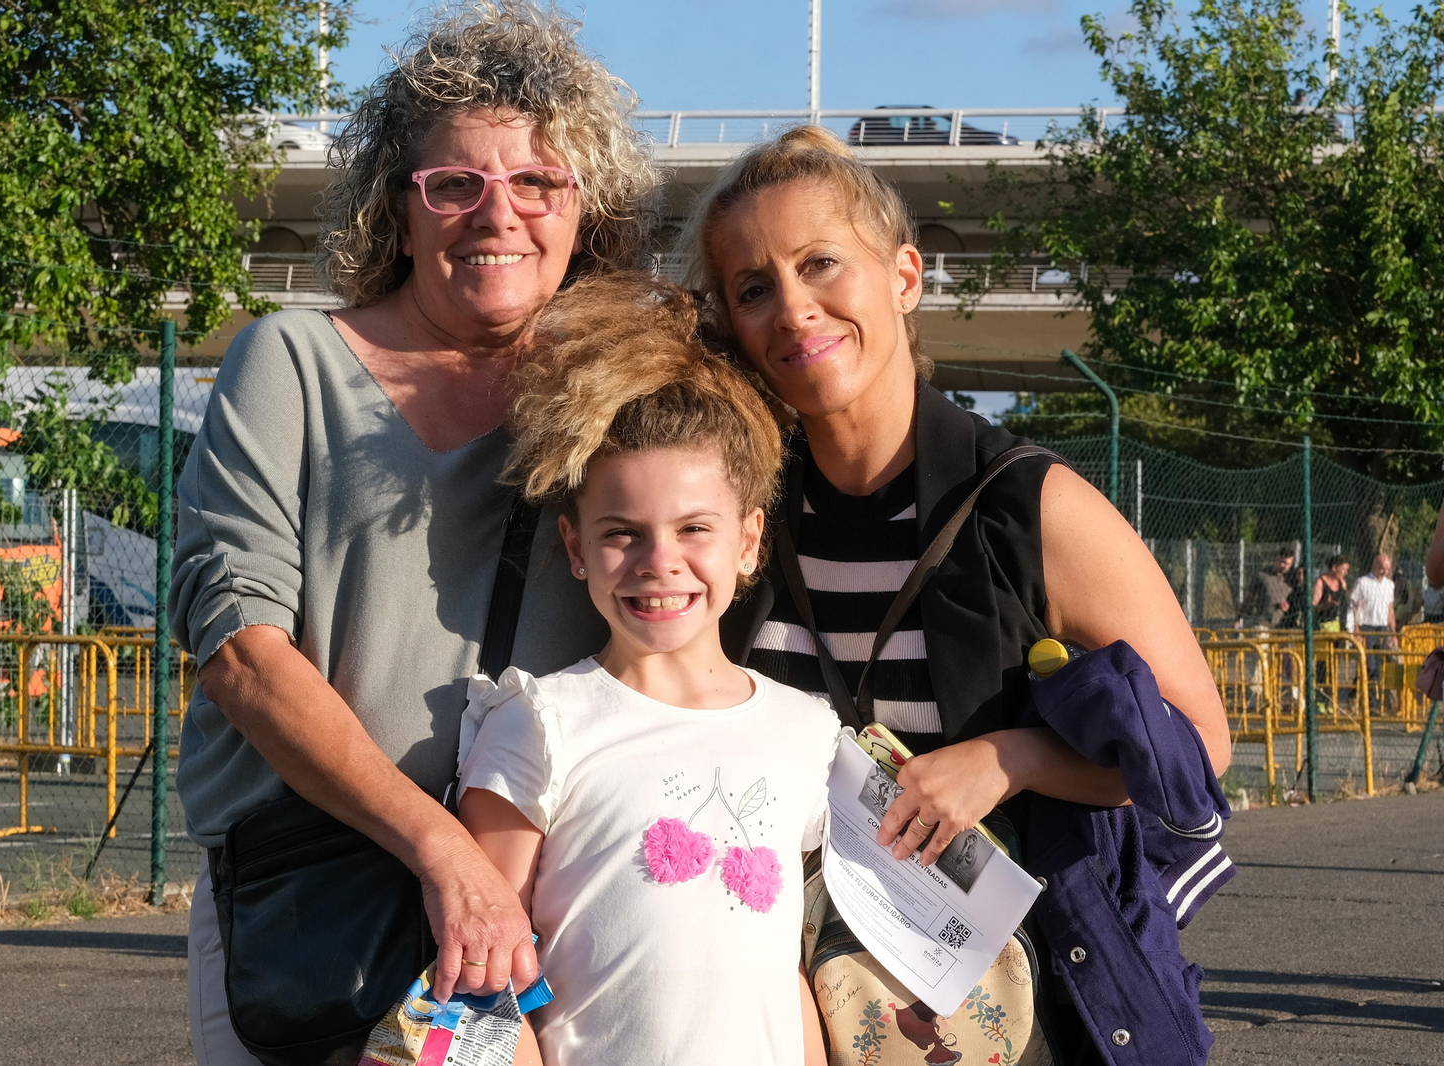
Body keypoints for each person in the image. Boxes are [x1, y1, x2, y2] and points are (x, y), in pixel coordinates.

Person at [168, 5, 658, 1063]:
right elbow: (243, 657)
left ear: (585, 211)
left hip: (547, 900)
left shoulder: (623, 389)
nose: (499, 214)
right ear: (399, 205)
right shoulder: (290, 361)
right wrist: (441, 848)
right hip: (316, 901)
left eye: (538, 183)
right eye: (455, 184)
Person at [682, 126, 1233, 1065]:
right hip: (783, 1011)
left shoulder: (1031, 506)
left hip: (1020, 1014)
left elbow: (1197, 747)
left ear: (904, 277)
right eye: (754, 288)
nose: (794, 309)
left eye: (822, 264)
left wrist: (1008, 759)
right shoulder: (739, 515)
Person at [458, 274, 833, 1066]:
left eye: (695, 527)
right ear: (575, 549)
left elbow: (780, 970)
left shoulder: (806, 732)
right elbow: (484, 981)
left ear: (749, 540)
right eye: (623, 532)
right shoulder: (539, 723)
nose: (660, 563)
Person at [1349, 553, 1396, 700]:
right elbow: (1353, 607)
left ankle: (1372, 698)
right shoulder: (1362, 582)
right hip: (1367, 627)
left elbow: (1390, 609)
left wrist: (1393, 633)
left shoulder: (1389, 585)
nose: (1385, 572)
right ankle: (1366, 698)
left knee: (1379, 665)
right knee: (1369, 664)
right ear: (1375, 566)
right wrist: (1356, 630)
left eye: (1387, 569)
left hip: (1382, 628)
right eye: (1382, 568)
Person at [1240, 545, 1297, 628]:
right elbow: (1248, 598)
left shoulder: (1292, 579)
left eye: (1287, 564)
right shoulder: (1261, 576)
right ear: (1276, 559)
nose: (1284, 566)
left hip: (1284, 625)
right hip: (1263, 624)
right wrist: (1238, 619)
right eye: (1282, 562)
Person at [1311, 554, 1351, 631]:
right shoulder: (1320, 582)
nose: (1346, 573)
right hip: (1325, 624)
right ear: (1334, 568)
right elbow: (1313, 607)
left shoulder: (1342, 583)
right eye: (1344, 569)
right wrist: (1325, 605)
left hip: (1341, 624)